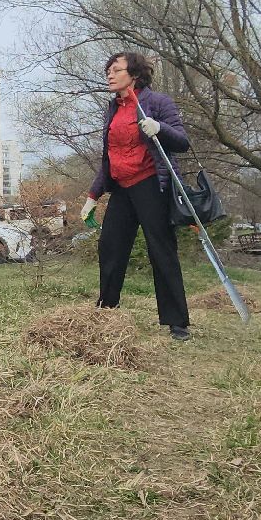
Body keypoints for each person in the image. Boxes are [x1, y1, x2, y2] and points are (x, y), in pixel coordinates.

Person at [81, 51, 193, 341]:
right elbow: (108, 157)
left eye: (116, 70)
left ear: (135, 74)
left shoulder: (157, 103)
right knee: (110, 246)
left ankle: (176, 322)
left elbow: (182, 141)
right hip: (121, 188)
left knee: (161, 250)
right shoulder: (113, 109)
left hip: (150, 185)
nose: (110, 74)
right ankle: (107, 310)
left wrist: (159, 128)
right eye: (109, 70)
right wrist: (94, 195)